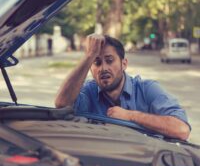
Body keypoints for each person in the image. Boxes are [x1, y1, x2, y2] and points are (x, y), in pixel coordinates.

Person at [55, 34, 190, 140]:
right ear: (90, 68)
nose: (103, 68)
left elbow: (181, 130)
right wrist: (89, 56)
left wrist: (130, 116)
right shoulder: (88, 92)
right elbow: (61, 103)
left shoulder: (147, 89)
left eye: (109, 60)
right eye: (97, 62)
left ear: (124, 64)